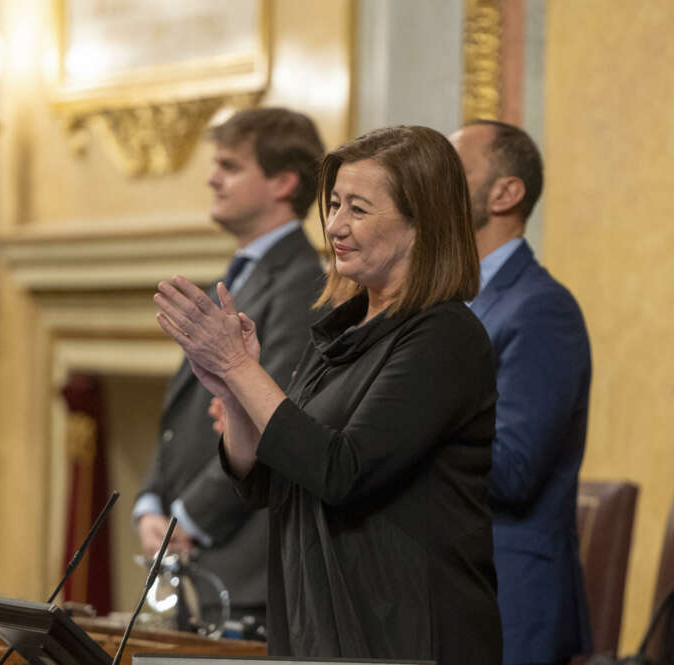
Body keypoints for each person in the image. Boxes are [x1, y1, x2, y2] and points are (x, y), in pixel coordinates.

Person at [153, 126, 503, 665]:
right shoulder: (340, 330)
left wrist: (239, 367)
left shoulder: (445, 336)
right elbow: (266, 479)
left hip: (405, 633)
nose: (335, 225)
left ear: (421, 223)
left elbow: (342, 471)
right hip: (316, 620)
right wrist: (232, 386)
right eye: (335, 204)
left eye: (358, 209)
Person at [134, 107, 325, 626]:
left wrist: (187, 518)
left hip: (245, 567)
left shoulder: (302, 281)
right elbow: (187, 408)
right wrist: (153, 499)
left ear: (283, 182)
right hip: (198, 556)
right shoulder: (242, 271)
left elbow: (267, 414)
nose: (212, 178)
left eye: (231, 166)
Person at [450, 120, 593, 665]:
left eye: (453, 173)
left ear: (507, 193)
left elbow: (512, 471)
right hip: (451, 592)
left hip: (509, 603)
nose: (432, 187)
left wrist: (395, 437)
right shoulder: (450, 303)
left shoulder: (540, 309)